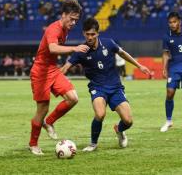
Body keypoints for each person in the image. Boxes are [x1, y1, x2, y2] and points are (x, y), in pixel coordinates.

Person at [61, 18, 150, 152]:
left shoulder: (109, 43)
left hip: (115, 87)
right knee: (100, 114)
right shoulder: (81, 51)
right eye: (87, 34)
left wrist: (139, 65)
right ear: (83, 33)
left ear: (98, 33)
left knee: (128, 121)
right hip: (97, 87)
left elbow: (123, 53)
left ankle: (119, 130)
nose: (90, 37)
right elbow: (65, 67)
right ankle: (93, 143)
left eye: (93, 34)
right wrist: (54, 79)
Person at [28, 0, 89, 155]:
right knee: (42, 108)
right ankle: (33, 144)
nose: (74, 22)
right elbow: (53, 48)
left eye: (76, 20)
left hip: (52, 69)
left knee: (73, 98)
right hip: (40, 71)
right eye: (72, 19)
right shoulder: (53, 29)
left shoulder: (66, 29)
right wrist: (74, 49)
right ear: (63, 15)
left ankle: (49, 122)